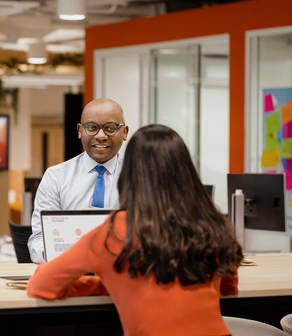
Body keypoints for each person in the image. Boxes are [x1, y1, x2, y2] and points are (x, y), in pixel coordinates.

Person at [27, 124, 244, 335]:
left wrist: (105, 284)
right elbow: (228, 287)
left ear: (129, 175)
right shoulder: (211, 224)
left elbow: (41, 285)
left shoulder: (117, 229)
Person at [27, 97, 129, 264]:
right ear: (80, 130)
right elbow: (38, 240)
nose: (101, 136)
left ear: (124, 132)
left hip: (122, 274)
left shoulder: (138, 177)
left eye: (110, 128)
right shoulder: (56, 177)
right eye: (92, 128)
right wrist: (62, 258)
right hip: (69, 274)